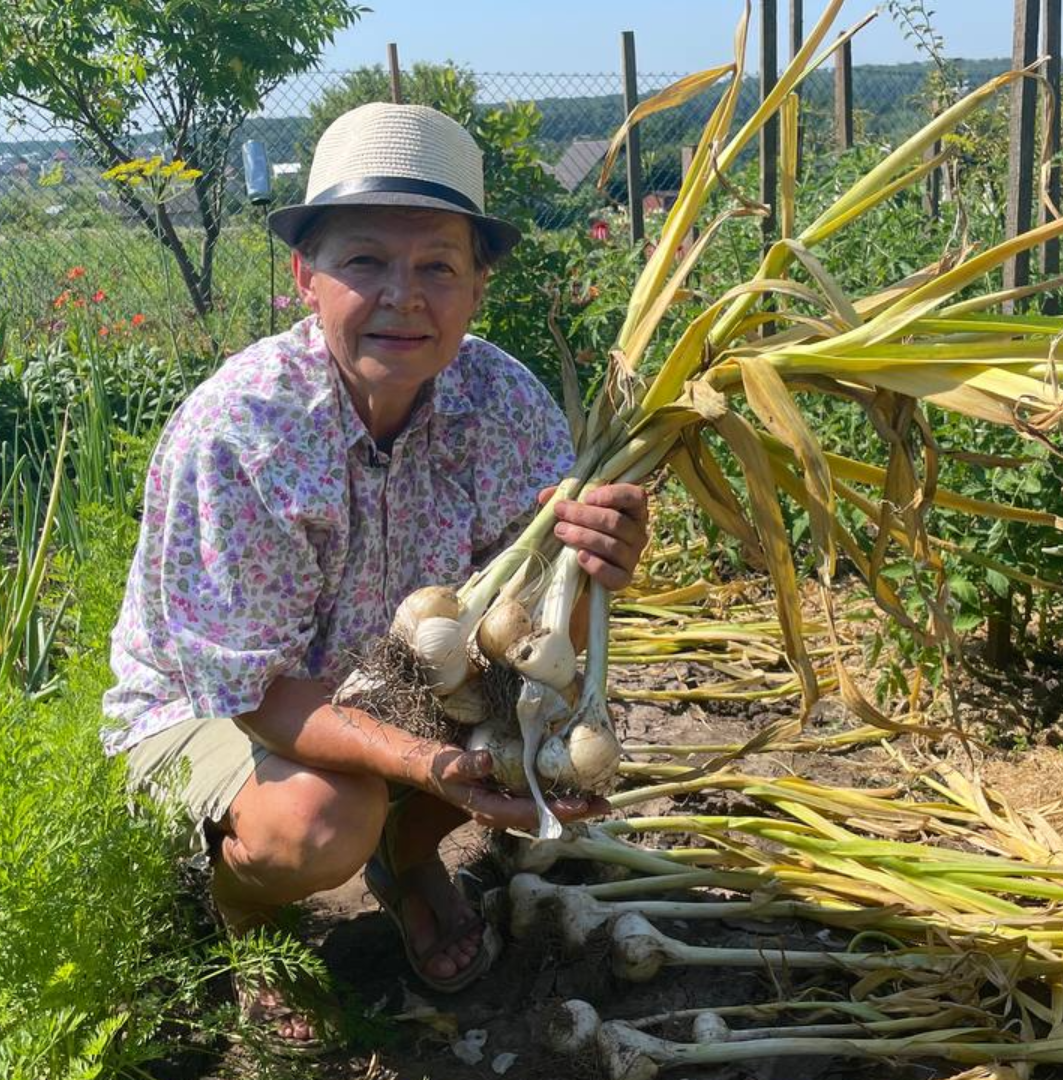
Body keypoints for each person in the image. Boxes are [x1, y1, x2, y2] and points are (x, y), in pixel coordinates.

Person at [100, 103, 650, 1042]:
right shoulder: (244, 431)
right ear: (306, 278)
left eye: (438, 265)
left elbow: (534, 637)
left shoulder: (504, 403)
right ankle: (250, 918)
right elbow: (252, 693)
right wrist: (435, 766)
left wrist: (594, 569)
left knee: (543, 725)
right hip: (208, 706)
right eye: (364, 261)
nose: (404, 296)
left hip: (384, 682)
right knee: (323, 819)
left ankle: (406, 855)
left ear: (477, 285)